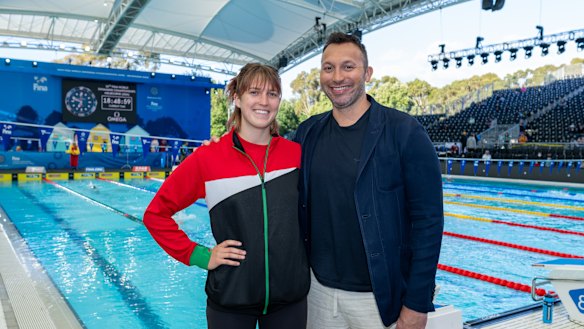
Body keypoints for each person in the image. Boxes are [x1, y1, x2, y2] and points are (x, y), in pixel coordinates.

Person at [294, 32, 443, 329]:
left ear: (368, 73)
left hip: (378, 299)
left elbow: (428, 221)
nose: (337, 77)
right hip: (318, 292)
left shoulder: (404, 132)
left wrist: (416, 303)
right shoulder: (307, 133)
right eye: (328, 68)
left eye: (348, 67)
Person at [143, 63, 309, 329]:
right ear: (237, 98)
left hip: (289, 301)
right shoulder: (208, 158)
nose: (264, 102)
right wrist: (199, 255)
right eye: (254, 92)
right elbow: (155, 215)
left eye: (272, 94)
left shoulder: (296, 155)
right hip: (231, 300)